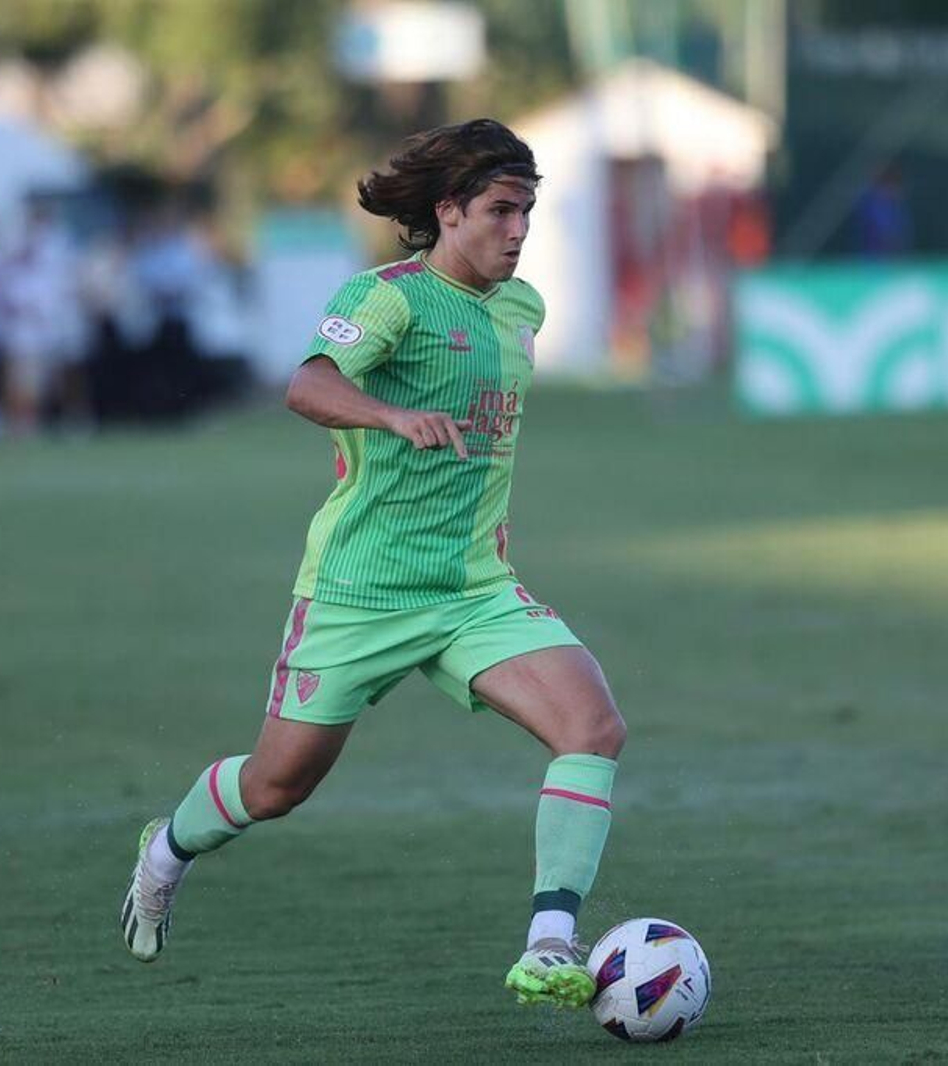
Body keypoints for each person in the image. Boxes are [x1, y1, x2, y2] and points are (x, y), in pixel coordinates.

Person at [119, 119, 628, 1009]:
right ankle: (166, 851)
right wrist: (392, 418)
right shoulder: (388, 297)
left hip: (474, 590)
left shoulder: (522, 308)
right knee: (277, 785)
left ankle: (551, 943)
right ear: (448, 211)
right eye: (501, 211)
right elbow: (305, 384)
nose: (518, 230)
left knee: (592, 727)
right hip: (359, 592)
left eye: (528, 213)